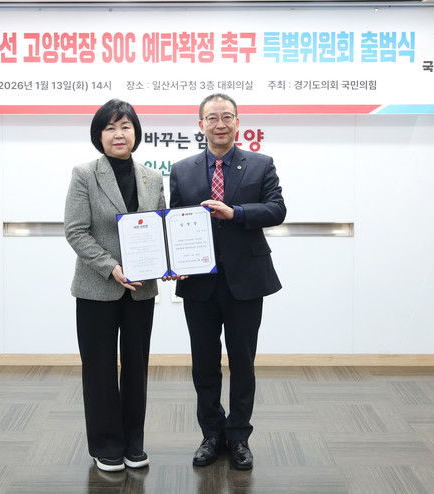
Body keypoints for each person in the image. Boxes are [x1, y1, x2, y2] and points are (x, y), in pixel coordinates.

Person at [169, 93, 286, 470]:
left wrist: (235, 213)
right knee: (203, 363)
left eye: (227, 117)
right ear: (200, 125)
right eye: (212, 118)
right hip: (199, 282)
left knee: (242, 362)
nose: (220, 124)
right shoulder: (181, 170)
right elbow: (174, 221)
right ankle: (211, 434)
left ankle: (238, 437)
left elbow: (276, 210)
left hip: (245, 280)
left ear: (238, 122)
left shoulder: (261, 164)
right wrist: (173, 261)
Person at [64, 99, 165, 473]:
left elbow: (160, 228)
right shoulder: (84, 175)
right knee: (100, 368)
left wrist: (169, 263)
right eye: (109, 127)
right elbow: (76, 231)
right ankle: (106, 444)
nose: (118, 134)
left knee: (137, 367)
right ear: (99, 135)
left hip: (141, 290)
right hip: (97, 287)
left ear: (135, 132)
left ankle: (133, 442)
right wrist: (112, 267)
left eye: (125, 126)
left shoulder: (152, 177)